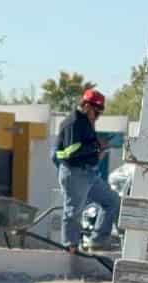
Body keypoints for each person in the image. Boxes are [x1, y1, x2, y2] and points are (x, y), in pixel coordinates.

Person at [54, 88, 120, 254]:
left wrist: (100, 150)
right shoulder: (74, 122)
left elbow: (87, 150)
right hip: (75, 173)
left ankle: (97, 241)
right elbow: (70, 151)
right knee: (73, 210)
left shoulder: (86, 123)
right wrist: (97, 146)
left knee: (111, 201)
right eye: (96, 112)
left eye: (99, 113)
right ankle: (70, 247)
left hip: (89, 173)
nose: (97, 116)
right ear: (86, 106)